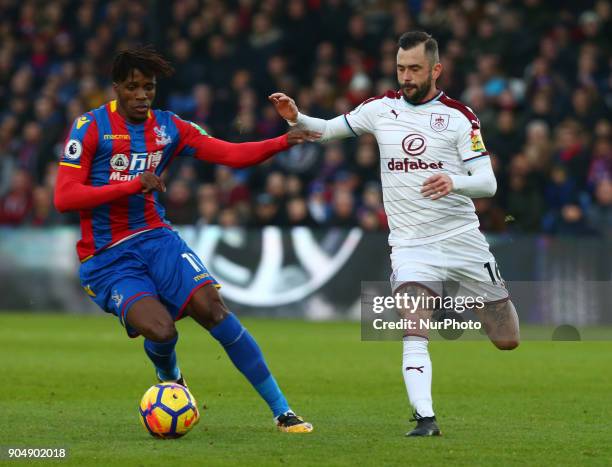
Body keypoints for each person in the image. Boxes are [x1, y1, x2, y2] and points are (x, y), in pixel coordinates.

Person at [54, 46, 317, 433]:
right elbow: (64, 197)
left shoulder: (168, 127)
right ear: (116, 89)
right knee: (162, 331)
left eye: (149, 87)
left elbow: (229, 154)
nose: (142, 95)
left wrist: (281, 141)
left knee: (214, 310)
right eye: (133, 88)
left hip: (157, 239)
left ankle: (283, 412)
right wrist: (130, 185)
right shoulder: (90, 127)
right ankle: (171, 377)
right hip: (107, 258)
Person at [269, 31, 520, 437]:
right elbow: (329, 130)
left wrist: (454, 182)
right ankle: (426, 419)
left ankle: (469, 296)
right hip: (409, 244)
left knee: (507, 339)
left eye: (415, 69)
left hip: (461, 238)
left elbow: (487, 183)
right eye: (401, 68)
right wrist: (296, 117)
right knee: (413, 320)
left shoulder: (459, 117)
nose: (406, 76)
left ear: (435, 70)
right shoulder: (380, 109)